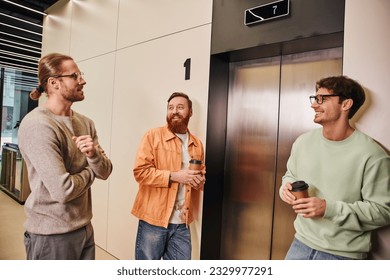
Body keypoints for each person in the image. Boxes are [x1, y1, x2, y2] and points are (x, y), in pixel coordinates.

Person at [280, 75, 390, 260]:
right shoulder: (302, 142)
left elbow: (383, 211)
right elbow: (290, 175)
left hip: (342, 256)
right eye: (315, 98)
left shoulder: (372, 154)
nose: (314, 105)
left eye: (323, 99)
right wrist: (286, 187)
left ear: (346, 104)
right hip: (300, 245)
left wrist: (327, 209)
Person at [18, 53, 113, 260]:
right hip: (51, 235)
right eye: (75, 76)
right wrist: (91, 170)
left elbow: (105, 171)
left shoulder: (86, 123)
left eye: (81, 75)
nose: (83, 80)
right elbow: (63, 190)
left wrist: (94, 156)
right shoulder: (39, 125)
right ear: (54, 83)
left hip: (84, 228)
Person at [132, 92, 206, 260]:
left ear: (190, 112)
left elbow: (201, 175)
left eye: (180, 107)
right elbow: (140, 172)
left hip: (182, 222)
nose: (174, 111)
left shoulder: (197, 144)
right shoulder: (153, 136)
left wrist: (200, 180)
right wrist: (175, 176)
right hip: (154, 220)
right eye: (170, 108)